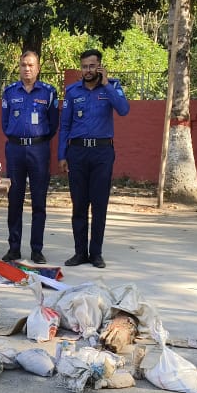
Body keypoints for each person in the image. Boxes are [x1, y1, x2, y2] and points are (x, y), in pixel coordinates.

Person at [57, 49, 129, 269]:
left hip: (102, 153)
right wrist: (62, 155)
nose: (87, 71)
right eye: (84, 66)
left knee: (99, 204)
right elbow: (65, 125)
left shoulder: (112, 87)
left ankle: (96, 253)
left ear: (99, 66)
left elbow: (124, 109)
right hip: (77, 153)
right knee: (79, 204)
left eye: (91, 66)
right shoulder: (72, 91)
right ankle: (80, 252)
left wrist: (107, 83)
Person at [0, 50, 59, 264]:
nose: (27, 68)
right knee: (14, 200)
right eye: (24, 64)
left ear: (38, 67)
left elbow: (53, 125)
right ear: (19, 67)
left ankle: (36, 249)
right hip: (15, 150)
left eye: (31, 65)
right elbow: (5, 123)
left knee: (39, 200)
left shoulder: (49, 92)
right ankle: (14, 248)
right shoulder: (9, 92)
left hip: (39, 149)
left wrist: (38, 140)